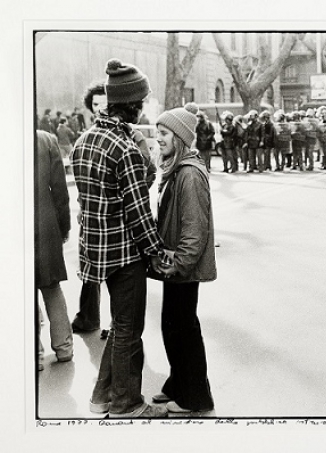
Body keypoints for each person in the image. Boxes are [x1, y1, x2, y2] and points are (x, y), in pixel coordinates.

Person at [71, 58, 167, 418]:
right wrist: (157, 252)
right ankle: (127, 403)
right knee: (128, 328)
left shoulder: (84, 140)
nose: (143, 108)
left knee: (120, 327)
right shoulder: (124, 148)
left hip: (95, 251)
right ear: (132, 104)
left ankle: (101, 396)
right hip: (124, 252)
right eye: (141, 102)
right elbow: (138, 213)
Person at [148, 104, 217, 416]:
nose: (158, 139)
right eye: (157, 133)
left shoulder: (189, 174)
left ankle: (196, 398)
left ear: (179, 137)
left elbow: (194, 227)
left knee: (184, 330)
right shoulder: (179, 169)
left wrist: (179, 265)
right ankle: (179, 383)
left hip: (181, 266)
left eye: (163, 134)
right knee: (173, 327)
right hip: (174, 264)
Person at [36, 130, 74, 371]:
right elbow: (60, 191)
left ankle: (35, 354)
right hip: (45, 222)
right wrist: (64, 226)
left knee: (23, 290)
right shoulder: (47, 140)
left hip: (12, 225)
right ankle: (64, 348)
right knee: (51, 287)